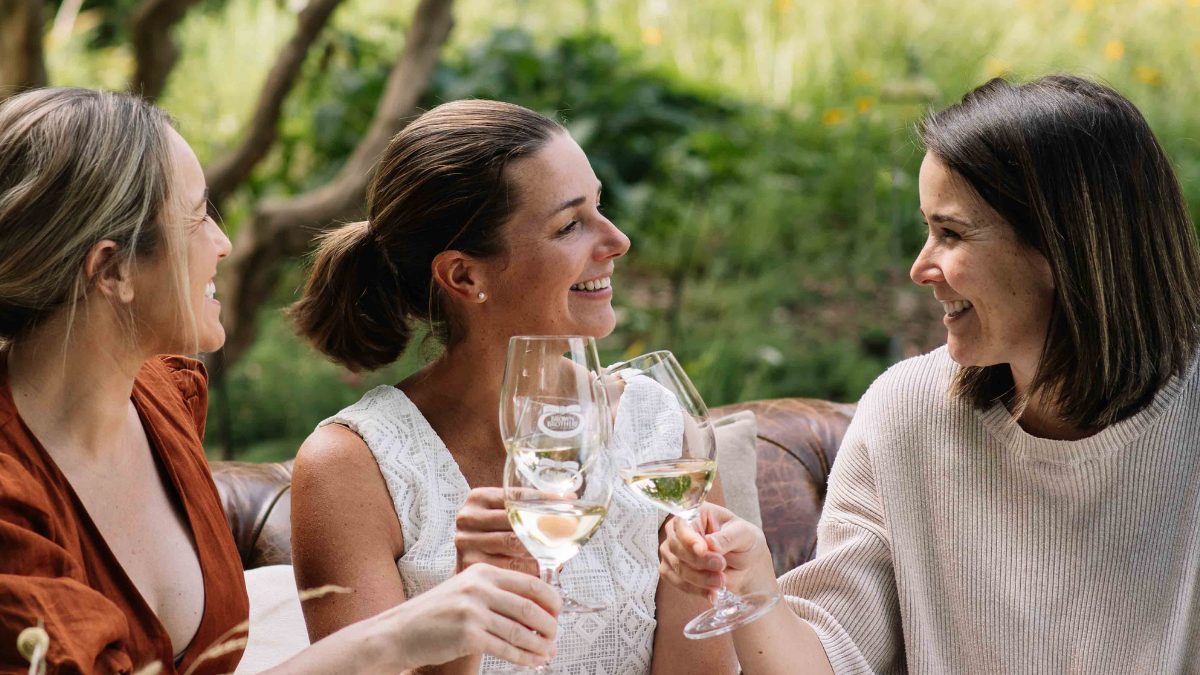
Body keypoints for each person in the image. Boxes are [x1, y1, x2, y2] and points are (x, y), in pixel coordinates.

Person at [0, 87, 562, 675]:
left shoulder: (163, 398)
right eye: (196, 220)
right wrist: (389, 639)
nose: (222, 244)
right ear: (112, 269)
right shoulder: (13, 507)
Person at [657, 75, 1200, 674]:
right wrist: (755, 587)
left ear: (1061, 247)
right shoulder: (907, 410)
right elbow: (831, 661)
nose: (921, 267)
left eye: (951, 234)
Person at [287, 99, 737, 675]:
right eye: (570, 224)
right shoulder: (353, 467)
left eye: (601, 207)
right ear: (464, 275)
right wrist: (463, 618)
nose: (619, 240)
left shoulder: (656, 424)